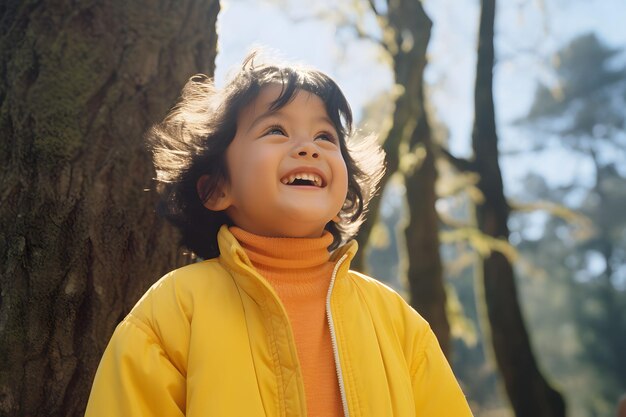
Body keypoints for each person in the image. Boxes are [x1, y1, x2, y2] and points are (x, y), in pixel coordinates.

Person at [85, 51, 473, 416]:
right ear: (217, 188)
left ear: (344, 193)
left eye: (325, 137)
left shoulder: (395, 320)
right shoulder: (174, 310)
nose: (308, 148)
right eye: (275, 129)